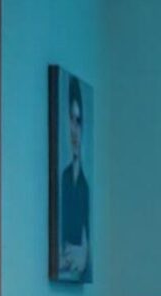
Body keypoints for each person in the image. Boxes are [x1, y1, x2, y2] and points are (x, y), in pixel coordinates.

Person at [60, 75, 90, 280]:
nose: (74, 129)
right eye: (70, 119)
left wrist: (84, 255)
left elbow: (85, 246)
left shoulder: (84, 185)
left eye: (78, 120)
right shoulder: (64, 178)